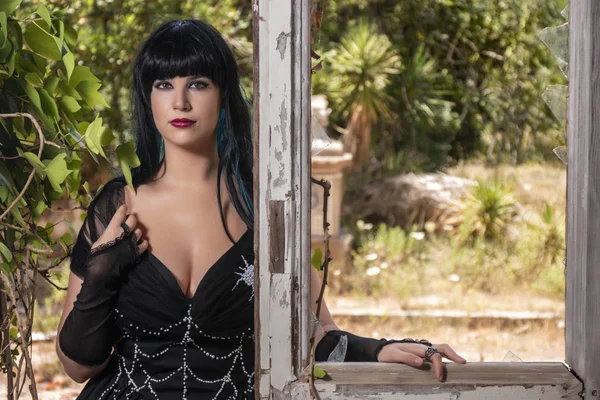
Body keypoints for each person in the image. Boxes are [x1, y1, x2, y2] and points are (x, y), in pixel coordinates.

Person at [56, 19, 466, 400]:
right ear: (148, 98)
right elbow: (76, 366)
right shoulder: (118, 203)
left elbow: (313, 337)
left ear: (223, 95)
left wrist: (381, 350)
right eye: (164, 84)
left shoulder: (264, 207)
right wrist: (100, 276)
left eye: (197, 83)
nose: (179, 101)